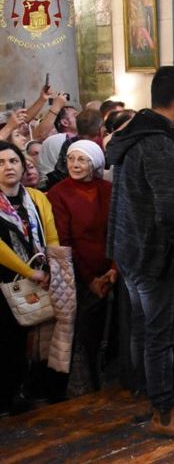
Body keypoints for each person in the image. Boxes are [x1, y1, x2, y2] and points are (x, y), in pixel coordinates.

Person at [106, 66, 174, 438]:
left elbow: (126, 199)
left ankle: (153, 393)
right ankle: (164, 413)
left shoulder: (133, 132)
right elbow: (169, 210)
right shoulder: (159, 143)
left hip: (130, 250)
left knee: (144, 330)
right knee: (160, 335)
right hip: (155, 257)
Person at [47, 141, 114, 396]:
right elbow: (64, 241)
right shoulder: (59, 192)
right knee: (87, 335)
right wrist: (90, 280)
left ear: (94, 162)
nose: (75, 165)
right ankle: (90, 387)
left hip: (112, 271)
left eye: (82, 159)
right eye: (71, 159)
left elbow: (118, 230)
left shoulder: (108, 189)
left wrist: (114, 268)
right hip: (79, 276)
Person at [0, 142, 60, 416]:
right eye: (1, 163)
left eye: (13, 161)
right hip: (6, 280)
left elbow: (51, 234)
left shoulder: (36, 197)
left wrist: (51, 267)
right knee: (7, 342)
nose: (8, 167)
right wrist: (29, 272)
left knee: (35, 340)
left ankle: (27, 391)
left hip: (40, 277)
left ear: (23, 166)